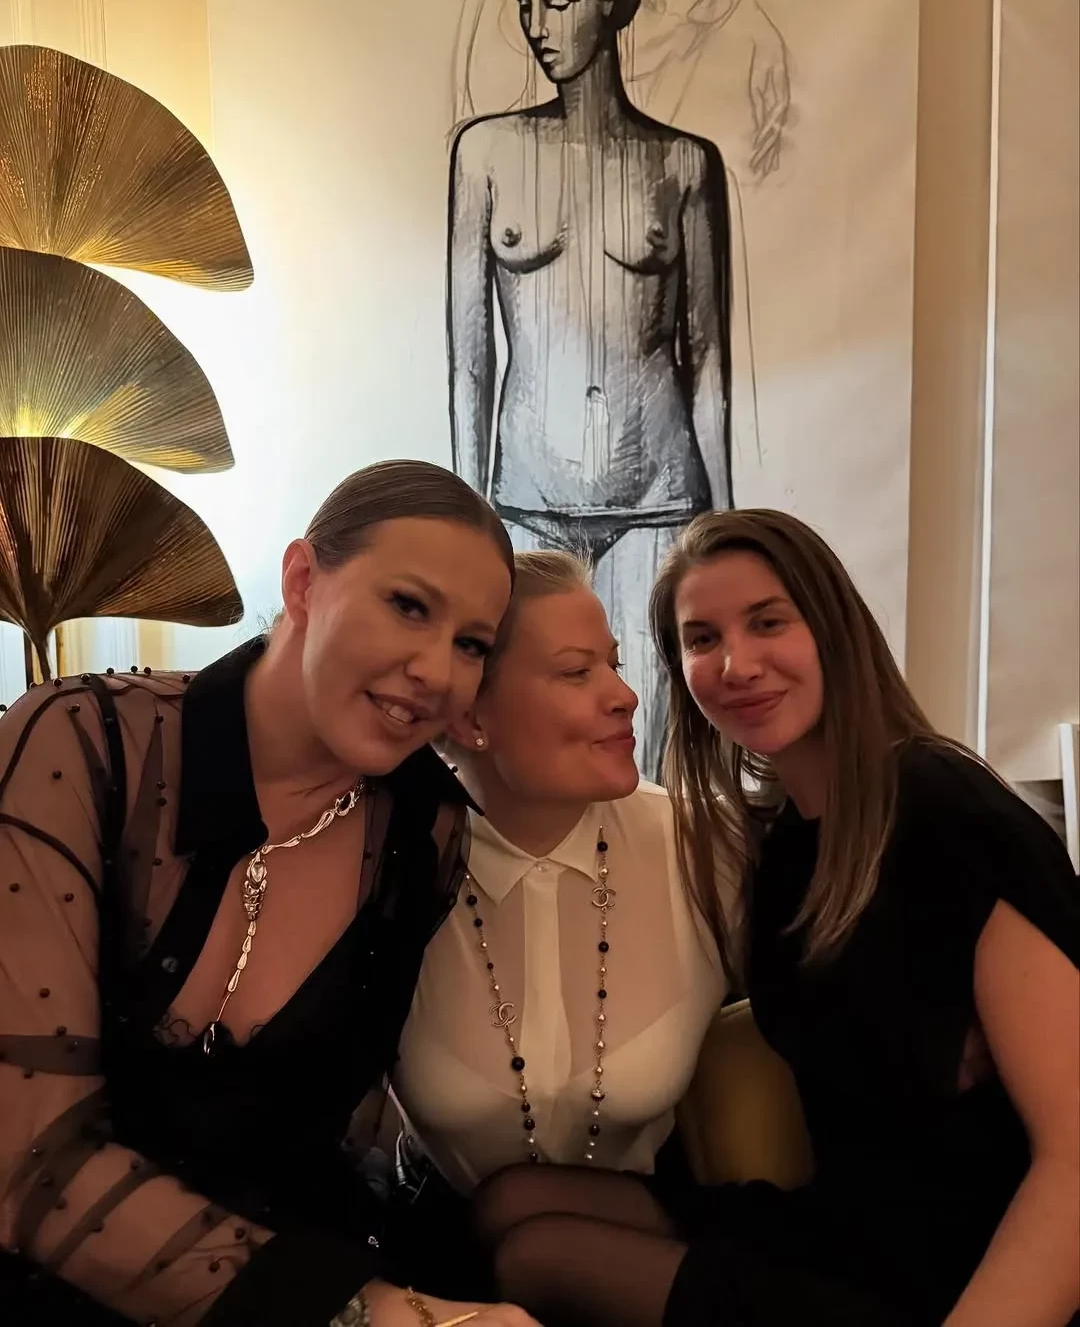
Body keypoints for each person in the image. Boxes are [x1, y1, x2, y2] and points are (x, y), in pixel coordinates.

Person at [466, 509, 1080, 1327]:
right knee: (508, 1200)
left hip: (964, 1263)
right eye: (702, 638)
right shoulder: (782, 844)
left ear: (831, 629)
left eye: (767, 623)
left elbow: (1074, 1157)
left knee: (538, 1256)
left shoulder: (944, 809)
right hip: (851, 1226)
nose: (737, 665)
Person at [0, 460, 541, 1327]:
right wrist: (370, 1315)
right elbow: (28, 1164)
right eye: (409, 605)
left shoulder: (426, 832)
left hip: (301, 1267)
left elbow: (337, 1139)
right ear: (301, 582)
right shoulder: (83, 745)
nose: (437, 671)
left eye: (471, 645)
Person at [390, 549, 734, 1298]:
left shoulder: (705, 850)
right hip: (438, 1266)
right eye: (578, 673)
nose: (626, 696)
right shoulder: (384, 869)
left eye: (614, 664)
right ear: (472, 717)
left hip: (654, 1256)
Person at [448, 0, 734, 780]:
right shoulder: (486, 152)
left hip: (658, 505)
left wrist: (724, 536)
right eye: (523, 2)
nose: (536, 25)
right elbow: (470, 357)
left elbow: (707, 360)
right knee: (525, 757)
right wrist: (469, 527)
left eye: (559, 0)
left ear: (614, 4)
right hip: (525, 504)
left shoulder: (683, 162)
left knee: (646, 764)